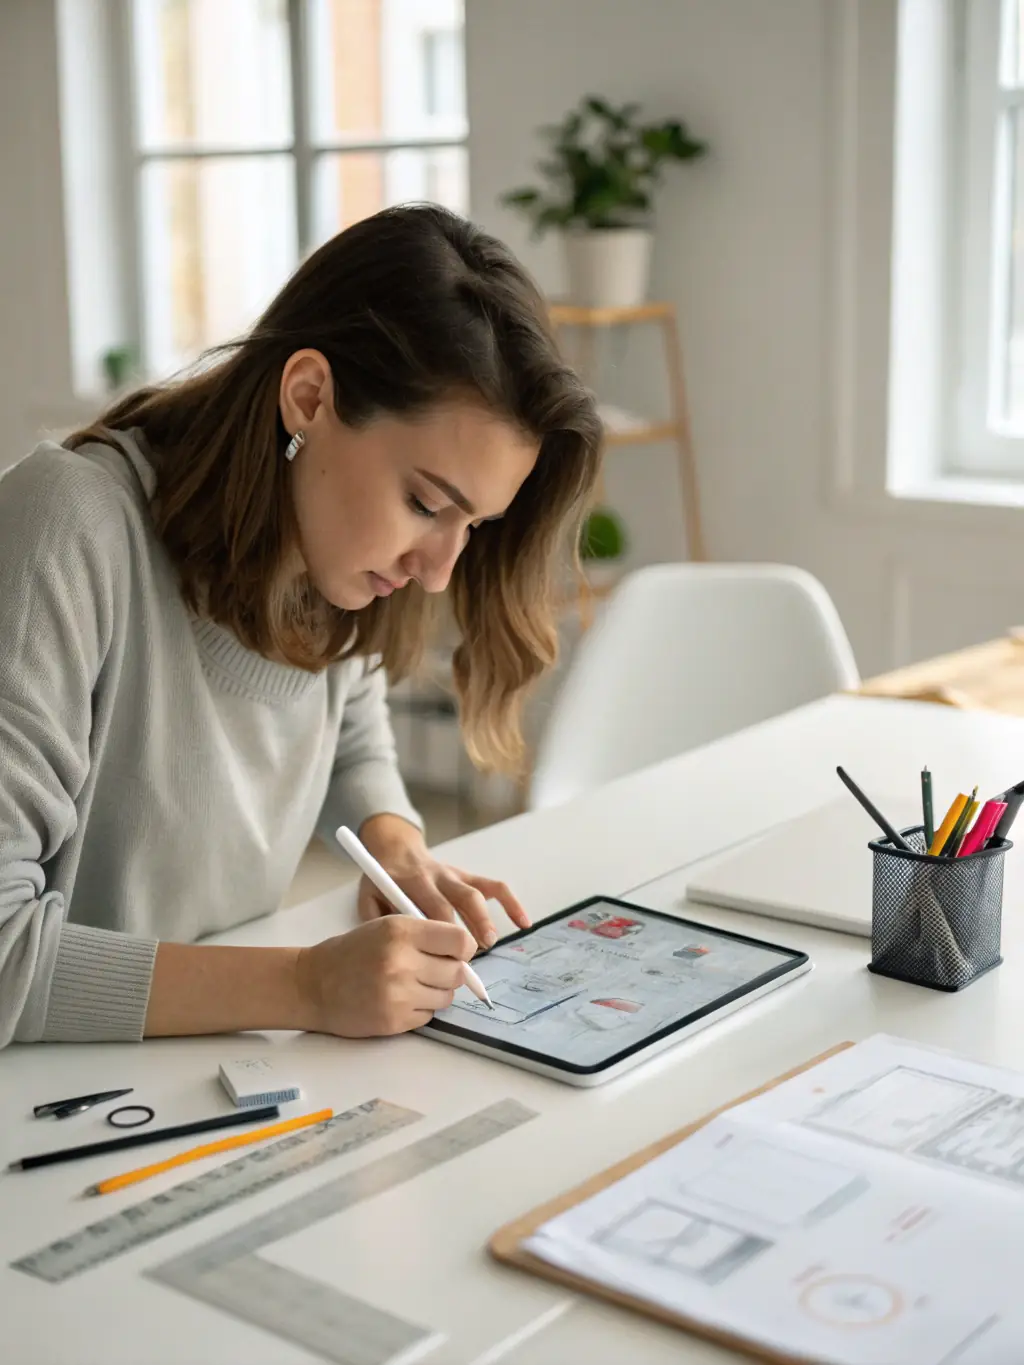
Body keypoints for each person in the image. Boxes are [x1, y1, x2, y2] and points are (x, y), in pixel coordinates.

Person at [0, 204, 602, 1049]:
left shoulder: (332, 559)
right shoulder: (67, 524)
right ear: (309, 396)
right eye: (427, 504)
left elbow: (344, 730)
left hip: (199, 1075)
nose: (439, 569)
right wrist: (305, 984)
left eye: (475, 527)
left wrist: (396, 845)